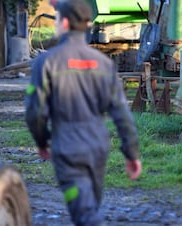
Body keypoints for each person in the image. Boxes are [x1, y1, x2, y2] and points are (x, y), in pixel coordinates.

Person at [24, 0, 142, 225]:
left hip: (67, 148)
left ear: (65, 22)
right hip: (98, 147)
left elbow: (34, 112)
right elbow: (122, 114)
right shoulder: (104, 64)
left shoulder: (46, 62)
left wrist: (42, 141)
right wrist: (132, 153)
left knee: (84, 212)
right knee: (89, 205)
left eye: (57, 18)